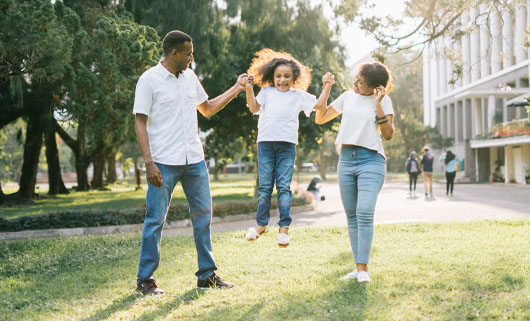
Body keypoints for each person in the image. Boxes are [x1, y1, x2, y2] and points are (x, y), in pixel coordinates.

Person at [133, 30, 247, 295]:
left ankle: (206, 275)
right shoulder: (149, 80)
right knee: (155, 220)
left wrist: (237, 88)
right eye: (188, 53)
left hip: (194, 160)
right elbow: (139, 122)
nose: (192, 57)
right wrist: (148, 162)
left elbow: (207, 108)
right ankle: (145, 280)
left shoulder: (190, 77)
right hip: (163, 162)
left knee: (203, 216)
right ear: (174, 53)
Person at [314, 62, 395, 283]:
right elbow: (320, 118)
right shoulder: (348, 97)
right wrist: (327, 88)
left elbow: (388, 134)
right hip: (346, 160)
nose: (356, 83)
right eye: (357, 78)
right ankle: (358, 268)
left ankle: (363, 270)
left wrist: (378, 104)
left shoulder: (384, 100)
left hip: (371, 160)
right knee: (352, 217)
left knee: (365, 211)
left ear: (376, 88)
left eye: (361, 81)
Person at [243, 48, 331, 248]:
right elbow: (254, 108)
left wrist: (327, 86)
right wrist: (248, 88)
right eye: (278, 76)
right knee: (265, 187)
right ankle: (260, 225)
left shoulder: (298, 95)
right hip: (265, 144)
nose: (282, 80)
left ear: (294, 78)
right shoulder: (267, 92)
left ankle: (284, 230)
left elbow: (318, 105)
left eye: (287, 76)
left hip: (287, 146)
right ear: (272, 77)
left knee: (283, 187)